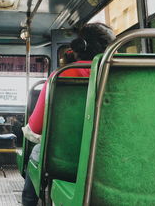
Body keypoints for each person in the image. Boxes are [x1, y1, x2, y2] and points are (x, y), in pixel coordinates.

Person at [21, 23, 115, 206]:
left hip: (63, 162)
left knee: (36, 151)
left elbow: (36, 128)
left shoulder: (61, 76)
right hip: (111, 160)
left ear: (78, 47)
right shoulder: (119, 75)